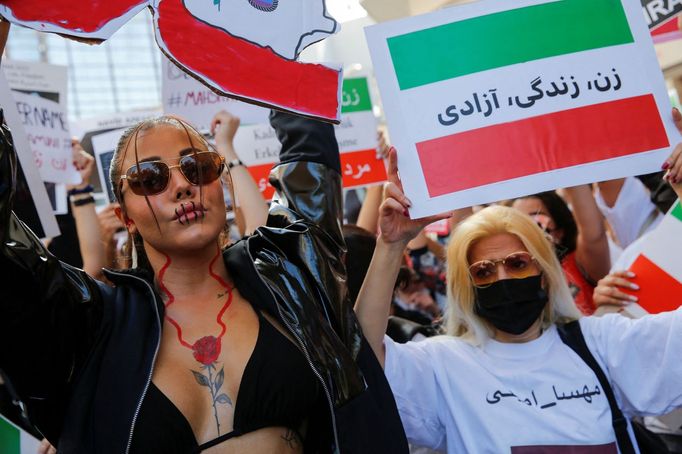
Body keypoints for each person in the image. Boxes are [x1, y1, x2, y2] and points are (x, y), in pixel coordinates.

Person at [0, 108, 408, 453]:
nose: (181, 186)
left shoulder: (288, 271)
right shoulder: (89, 325)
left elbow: (309, 148)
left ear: (220, 183)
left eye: (198, 167)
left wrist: (273, 36)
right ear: (125, 217)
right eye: (149, 179)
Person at [354, 130, 682, 452]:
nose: (502, 277)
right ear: (469, 288)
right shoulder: (444, 365)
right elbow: (362, 354)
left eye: (517, 263)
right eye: (483, 271)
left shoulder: (600, 344)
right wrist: (391, 244)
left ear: (543, 272)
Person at [512, 185, 610, 315]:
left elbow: (594, 234)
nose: (526, 230)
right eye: (516, 222)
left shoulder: (578, 264)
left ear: (559, 232)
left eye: (536, 221)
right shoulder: (503, 274)